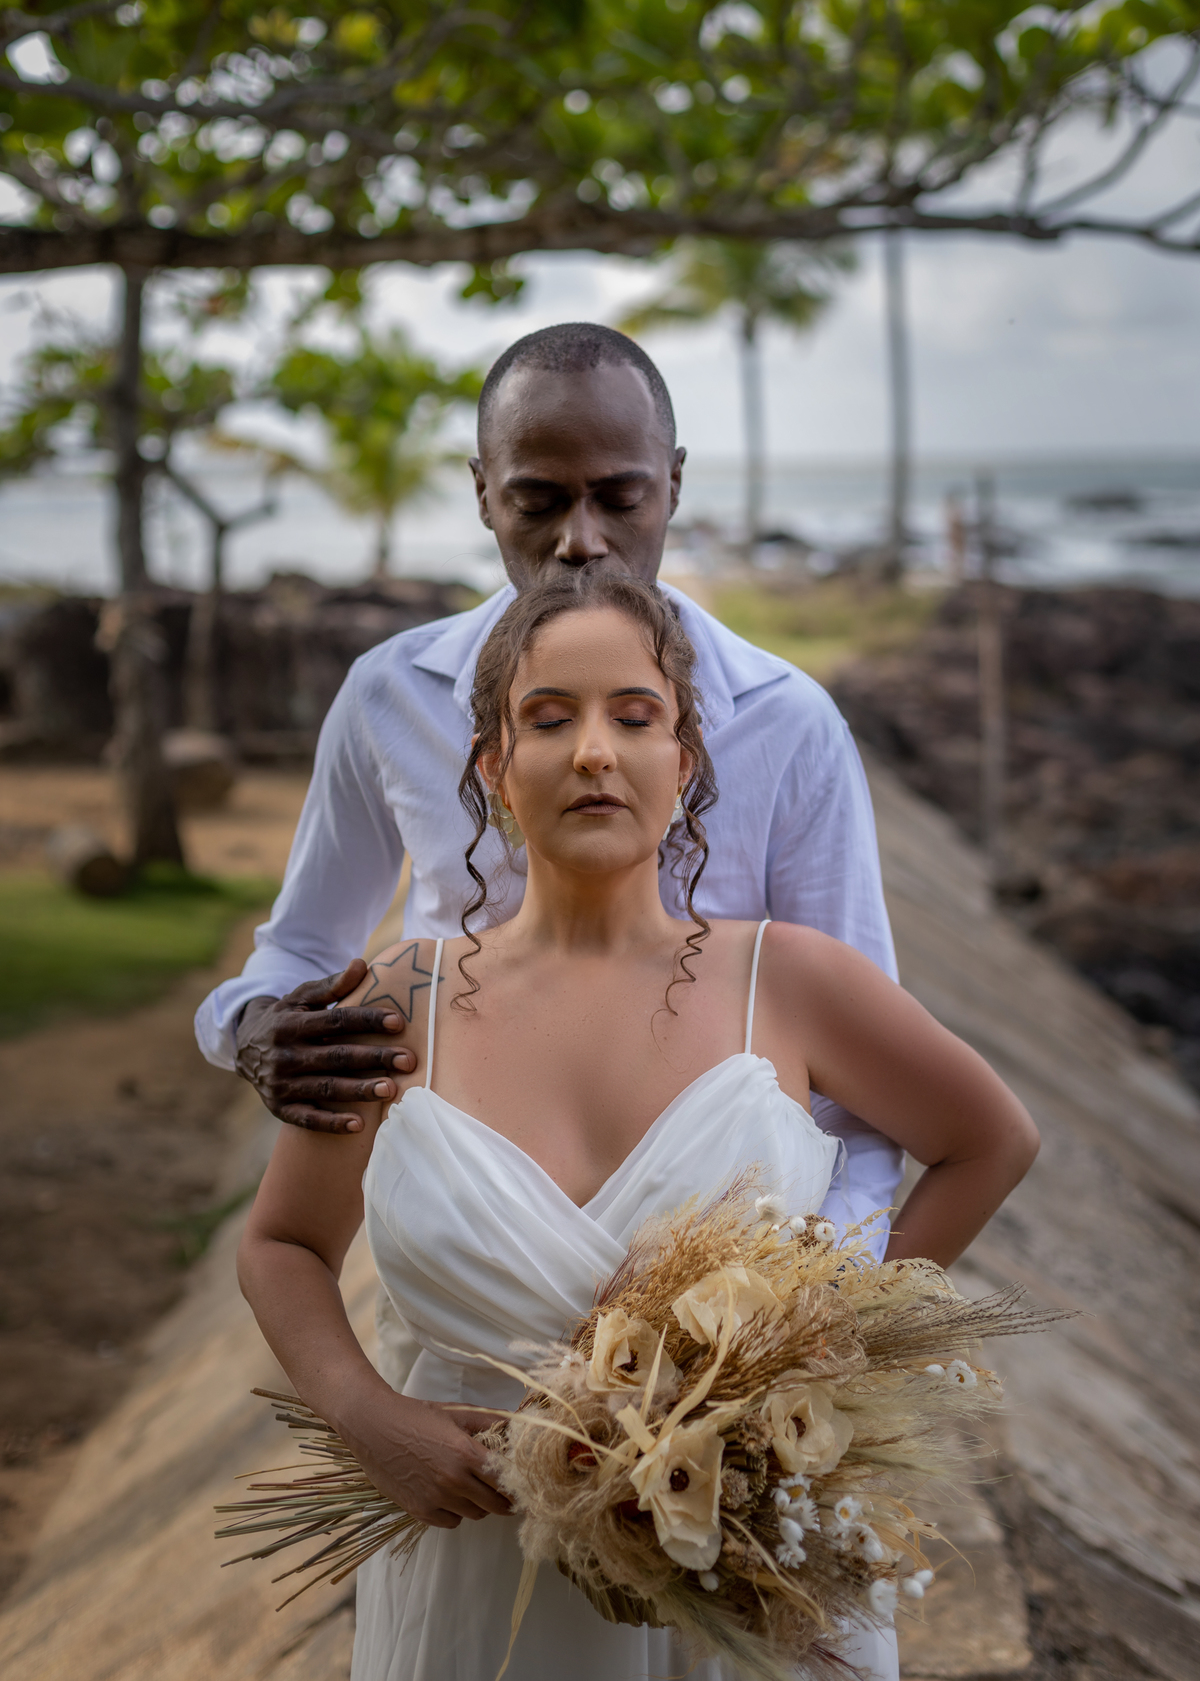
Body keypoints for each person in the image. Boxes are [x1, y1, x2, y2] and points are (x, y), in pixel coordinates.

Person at [238, 569, 1040, 1681]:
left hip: (743, 1572)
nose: (595, 750)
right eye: (548, 718)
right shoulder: (396, 1002)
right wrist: (365, 1413)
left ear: (687, 763)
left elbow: (990, 1137)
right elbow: (282, 1242)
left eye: (635, 714)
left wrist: (821, 1353)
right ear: (493, 770)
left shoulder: (790, 980)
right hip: (475, 1574)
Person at [197, 322, 903, 1389]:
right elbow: (301, 946)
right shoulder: (390, 696)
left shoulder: (789, 722)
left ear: (672, 485)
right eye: (538, 499)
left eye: (619, 496)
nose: (581, 539)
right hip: (468, 1269)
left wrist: (793, 1327)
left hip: (717, 1305)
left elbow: (873, 1087)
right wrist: (247, 1024)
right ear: (483, 492)